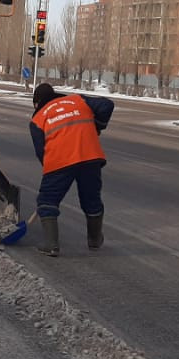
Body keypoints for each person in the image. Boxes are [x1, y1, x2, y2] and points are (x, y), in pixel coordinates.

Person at [29, 82, 115, 257]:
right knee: (91, 198)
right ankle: (95, 240)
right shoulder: (78, 100)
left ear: (37, 103)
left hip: (59, 160)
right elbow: (107, 105)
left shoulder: (38, 119)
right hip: (90, 156)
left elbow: (41, 151)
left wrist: (50, 172)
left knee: (48, 200)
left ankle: (51, 244)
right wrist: (97, 125)